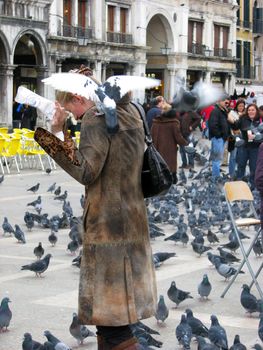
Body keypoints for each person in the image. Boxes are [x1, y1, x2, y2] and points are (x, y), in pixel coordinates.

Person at [34, 67, 157, 350]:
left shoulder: (95, 119)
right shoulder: (132, 113)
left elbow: (85, 172)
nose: (74, 116)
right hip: (132, 222)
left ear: (79, 97)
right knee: (114, 321)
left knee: (113, 325)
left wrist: (55, 133)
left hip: (108, 229)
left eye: (71, 109)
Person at [151, 102, 188, 184]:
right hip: (170, 149)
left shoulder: (156, 122)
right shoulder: (174, 123)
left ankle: (160, 180)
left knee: (160, 164)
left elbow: (152, 135)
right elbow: (178, 137)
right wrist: (185, 143)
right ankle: (172, 179)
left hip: (158, 148)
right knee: (170, 164)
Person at [228, 103, 261, 189]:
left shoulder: (260, 120)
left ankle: (252, 187)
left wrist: (256, 137)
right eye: (249, 110)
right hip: (244, 146)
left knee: (253, 168)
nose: (251, 111)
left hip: (255, 148)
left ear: (256, 111)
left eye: (253, 110)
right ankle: (239, 186)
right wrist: (230, 120)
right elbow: (235, 126)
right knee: (241, 166)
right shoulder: (243, 119)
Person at [208, 96, 230, 180]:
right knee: (217, 159)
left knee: (217, 158)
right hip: (218, 139)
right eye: (224, 100)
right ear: (219, 101)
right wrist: (219, 135)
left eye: (227, 101)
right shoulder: (216, 111)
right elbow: (213, 125)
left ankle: (215, 176)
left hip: (221, 138)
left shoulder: (223, 111)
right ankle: (216, 178)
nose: (226, 102)